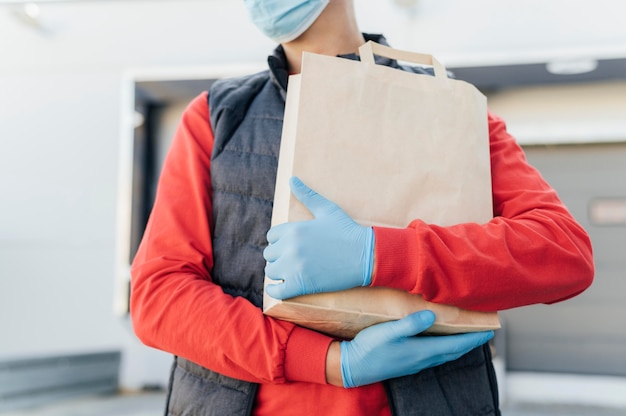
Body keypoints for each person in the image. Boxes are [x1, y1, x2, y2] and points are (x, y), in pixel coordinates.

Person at [130, 1, 595, 415]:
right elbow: (158, 296)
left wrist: (381, 254)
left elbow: (563, 253)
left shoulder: (452, 109)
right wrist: (331, 363)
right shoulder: (219, 115)